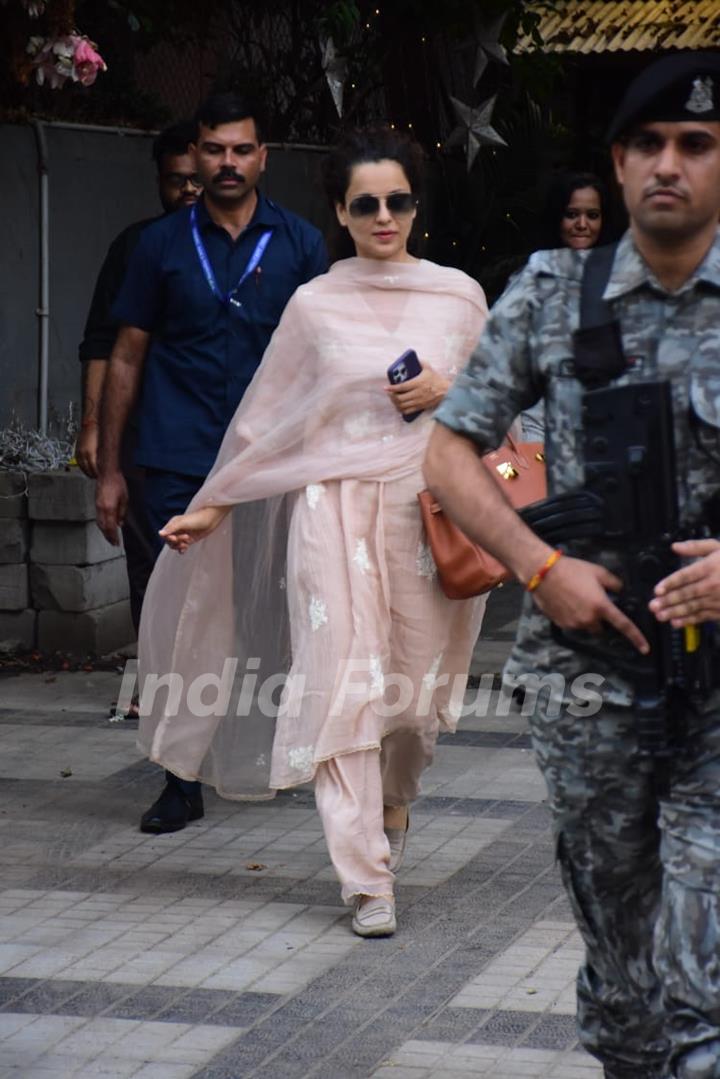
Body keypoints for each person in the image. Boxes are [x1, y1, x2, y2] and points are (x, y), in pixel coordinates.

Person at [424, 52, 720, 1079]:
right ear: (619, 161)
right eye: (648, 145)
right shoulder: (553, 292)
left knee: (701, 972)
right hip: (592, 684)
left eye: (695, 144)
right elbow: (450, 448)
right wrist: (538, 561)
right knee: (626, 971)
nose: (668, 164)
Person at [136, 126, 490, 937]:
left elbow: (508, 403)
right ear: (340, 210)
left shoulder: (459, 296)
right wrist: (217, 499)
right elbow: (269, 417)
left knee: (412, 702)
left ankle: (395, 802)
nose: (383, 215)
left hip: (427, 510)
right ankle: (365, 876)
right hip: (329, 510)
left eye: (397, 200)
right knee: (341, 685)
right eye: (364, 203)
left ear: (415, 205)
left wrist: (447, 386)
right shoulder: (315, 302)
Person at [95, 90, 328, 835]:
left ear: (263, 157)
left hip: (270, 460)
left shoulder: (300, 244)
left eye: (240, 150)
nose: (226, 163)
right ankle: (179, 777)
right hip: (176, 456)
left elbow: (326, 358)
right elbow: (125, 355)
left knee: (276, 611)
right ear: (195, 155)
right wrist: (110, 467)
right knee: (179, 619)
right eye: (213, 149)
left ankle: (271, 753)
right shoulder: (158, 245)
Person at [77, 121, 201, 633]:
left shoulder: (245, 247)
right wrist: (92, 425)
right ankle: (154, 676)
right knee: (149, 558)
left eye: (197, 178)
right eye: (178, 180)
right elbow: (102, 344)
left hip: (218, 427)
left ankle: (220, 678)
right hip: (142, 428)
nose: (189, 190)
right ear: (160, 181)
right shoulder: (135, 247)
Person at [537, 170, 611, 251]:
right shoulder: (534, 262)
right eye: (571, 215)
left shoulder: (619, 262)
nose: (582, 225)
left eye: (592, 215)